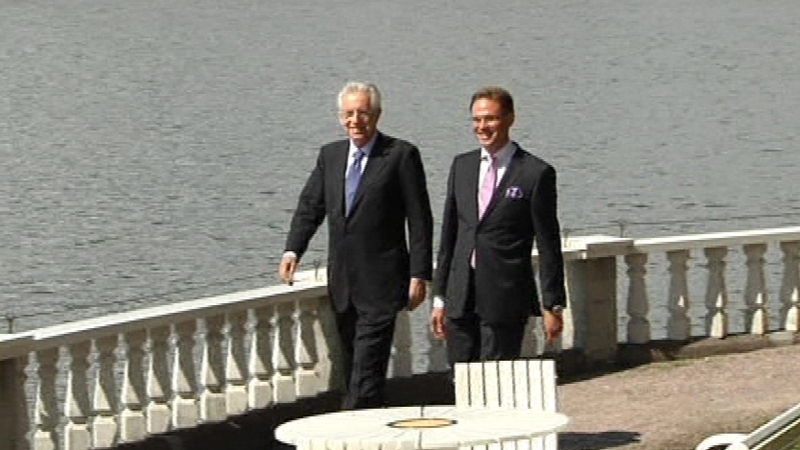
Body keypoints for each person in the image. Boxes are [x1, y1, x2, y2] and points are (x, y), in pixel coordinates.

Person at [279, 81, 433, 409]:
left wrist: (420, 273)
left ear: (377, 114)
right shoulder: (330, 156)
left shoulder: (400, 155)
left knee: (366, 370)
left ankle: (351, 429)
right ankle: (369, 433)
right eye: (348, 114)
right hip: (343, 284)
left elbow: (419, 220)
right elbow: (310, 206)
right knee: (353, 370)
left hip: (383, 283)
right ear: (340, 117)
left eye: (362, 113)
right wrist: (293, 250)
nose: (355, 120)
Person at [430, 86, 566, 367]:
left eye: (490, 119)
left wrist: (552, 303)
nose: (482, 126)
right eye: (477, 120)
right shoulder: (462, 166)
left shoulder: (534, 173)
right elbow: (450, 236)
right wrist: (440, 297)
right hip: (460, 297)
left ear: (509, 119)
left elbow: (548, 242)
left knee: (495, 384)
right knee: (462, 383)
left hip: (504, 297)